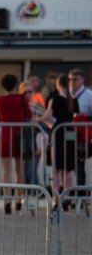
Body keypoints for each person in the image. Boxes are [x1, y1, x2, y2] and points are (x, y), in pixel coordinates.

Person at [0, 74, 31, 214]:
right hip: (20, 135)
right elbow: (28, 114)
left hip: (5, 135)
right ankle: (19, 199)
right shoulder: (22, 98)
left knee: (6, 170)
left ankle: (7, 200)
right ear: (16, 85)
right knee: (19, 169)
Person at [43, 74, 77, 210]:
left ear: (57, 85)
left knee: (56, 169)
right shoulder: (73, 99)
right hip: (70, 135)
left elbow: (47, 117)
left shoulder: (55, 99)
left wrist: (53, 125)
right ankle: (67, 198)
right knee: (68, 170)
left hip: (58, 135)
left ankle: (57, 198)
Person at [69, 69, 92, 194]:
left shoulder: (88, 94)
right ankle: (76, 193)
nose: (72, 82)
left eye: (75, 79)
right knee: (74, 163)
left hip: (86, 135)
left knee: (82, 163)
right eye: (71, 79)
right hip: (72, 135)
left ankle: (82, 193)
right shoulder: (68, 94)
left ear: (82, 79)